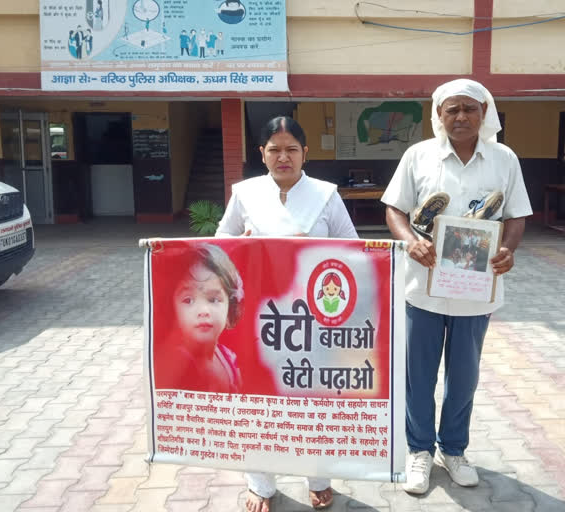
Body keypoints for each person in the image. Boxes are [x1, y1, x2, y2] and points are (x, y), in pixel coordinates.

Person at [381, 78, 532, 494]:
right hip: (423, 289)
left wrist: (508, 250)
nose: (461, 117)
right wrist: (411, 242)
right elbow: (394, 208)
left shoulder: (504, 159)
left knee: (463, 378)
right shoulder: (418, 156)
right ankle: (419, 452)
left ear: (485, 113)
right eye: (452, 110)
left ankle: (454, 449)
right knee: (419, 377)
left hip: (475, 289)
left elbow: (516, 215)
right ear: (439, 115)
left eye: (470, 108)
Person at [216, 116, 358, 511]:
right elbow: (220, 241)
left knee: (312, 399)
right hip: (259, 320)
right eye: (274, 149)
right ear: (261, 154)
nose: (283, 157)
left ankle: (318, 476)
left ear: (305, 153)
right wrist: (240, 246)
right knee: (258, 399)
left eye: (291, 149)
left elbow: (354, 249)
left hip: (314, 318)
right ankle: (260, 482)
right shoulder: (245, 194)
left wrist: (313, 248)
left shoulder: (326, 195)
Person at [153, 244, 245, 394]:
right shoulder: (177, 366)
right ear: (173, 309)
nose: (203, 311)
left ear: (230, 307)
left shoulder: (227, 357)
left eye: (213, 300)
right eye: (188, 300)